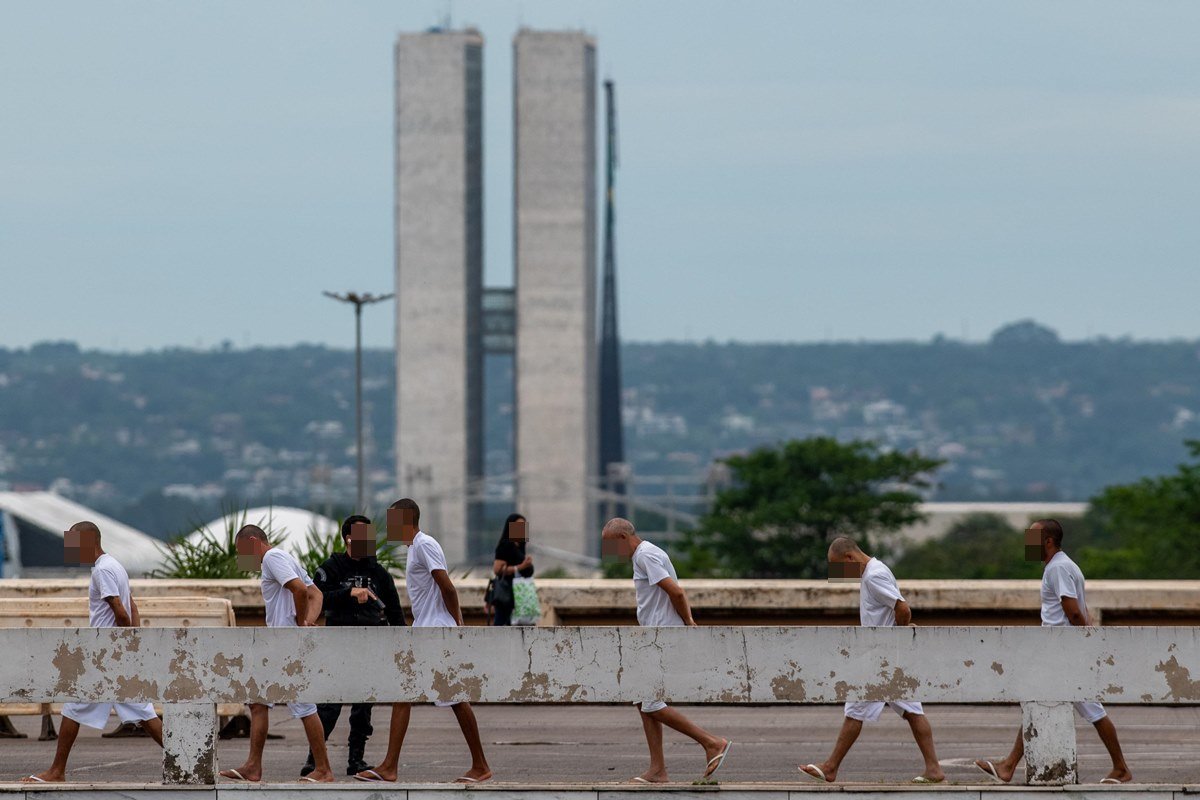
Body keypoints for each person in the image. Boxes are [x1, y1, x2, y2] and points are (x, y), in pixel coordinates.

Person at [974, 519, 1132, 784]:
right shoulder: (1064, 565)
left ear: (1048, 541)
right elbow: (1080, 610)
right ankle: (1009, 765)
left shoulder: (1057, 569)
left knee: (1086, 709)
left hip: (1062, 652)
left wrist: (1080, 640)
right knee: (1043, 703)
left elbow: (1072, 610)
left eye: (1032, 539)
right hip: (1061, 651)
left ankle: (1121, 768)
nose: (1027, 545)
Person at [355, 498, 492, 784]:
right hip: (427, 630)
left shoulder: (425, 544)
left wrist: (457, 624)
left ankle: (394, 766)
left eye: (392, 521)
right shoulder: (416, 548)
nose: (388, 527)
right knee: (428, 696)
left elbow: (447, 586)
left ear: (406, 520)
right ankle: (475, 765)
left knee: (418, 694)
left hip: (435, 632)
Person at [22, 522, 164, 784]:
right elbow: (132, 606)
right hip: (116, 654)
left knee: (73, 707)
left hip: (105, 655)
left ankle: (56, 771)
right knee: (145, 713)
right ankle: (185, 760)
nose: (72, 551)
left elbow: (120, 610)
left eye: (75, 544)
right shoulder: (115, 566)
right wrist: (133, 642)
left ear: (89, 541)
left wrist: (122, 644)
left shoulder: (103, 571)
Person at [799, 537, 944, 784]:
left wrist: (899, 635)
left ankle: (831, 767)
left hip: (881, 659)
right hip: (887, 658)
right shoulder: (875, 570)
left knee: (855, 711)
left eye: (838, 567)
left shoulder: (874, 575)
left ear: (849, 558)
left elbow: (902, 608)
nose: (840, 574)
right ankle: (934, 770)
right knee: (912, 711)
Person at [600, 517, 732, 784]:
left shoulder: (644, 555)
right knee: (642, 699)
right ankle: (658, 769)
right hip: (654, 636)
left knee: (651, 704)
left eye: (611, 546)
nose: (611, 554)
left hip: (661, 637)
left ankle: (711, 742)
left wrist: (689, 623)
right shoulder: (647, 553)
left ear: (623, 538)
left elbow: (676, 592)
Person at [218, 524, 334, 783]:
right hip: (279, 643)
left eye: (242, 552)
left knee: (304, 705)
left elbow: (301, 591)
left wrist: (298, 627)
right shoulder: (285, 558)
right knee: (258, 702)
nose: (242, 559)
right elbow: (317, 594)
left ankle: (324, 769)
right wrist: (305, 624)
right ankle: (253, 767)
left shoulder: (272, 558)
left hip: (284, 644)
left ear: (251, 541)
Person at [301, 514, 406, 777]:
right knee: (329, 706)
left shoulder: (378, 572)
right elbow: (317, 598)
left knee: (363, 707)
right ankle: (315, 760)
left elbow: (395, 612)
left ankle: (356, 759)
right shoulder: (332, 567)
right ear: (348, 538)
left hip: (370, 645)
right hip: (337, 645)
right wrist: (349, 594)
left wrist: (403, 643)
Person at [491, 513, 534, 627]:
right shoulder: (505, 545)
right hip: (506, 592)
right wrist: (521, 567)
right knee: (501, 624)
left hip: (520, 592)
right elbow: (497, 569)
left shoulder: (519, 546)